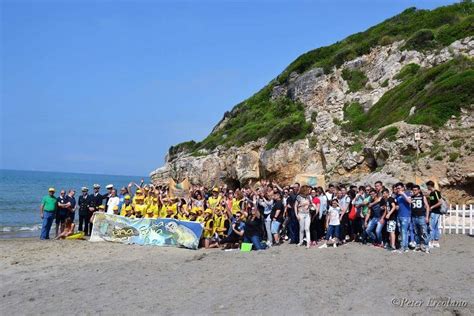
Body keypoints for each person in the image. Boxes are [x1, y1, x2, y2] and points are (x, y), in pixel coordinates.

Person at [411, 185, 430, 253]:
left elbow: (427, 206)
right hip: (414, 217)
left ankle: (426, 246)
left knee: (424, 232)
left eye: (416, 190)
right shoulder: (412, 197)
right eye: (413, 190)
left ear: (419, 190)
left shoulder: (422, 197)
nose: (414, 191)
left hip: (421, 216)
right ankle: (418, 245)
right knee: (416, 232)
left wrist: (427, 217)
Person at [395, 183, 412, 252]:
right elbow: (399, 205)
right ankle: (406, 246)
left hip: (405, 216)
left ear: (403, 188)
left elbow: (409, 201)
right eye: (397, 188)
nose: (398, 189)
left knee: (404, 231)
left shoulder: (407, 193)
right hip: (399, 215)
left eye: (399, 188)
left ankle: (403, 247)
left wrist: (403, 194)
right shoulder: (397, 196)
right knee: (402, 232)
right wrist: (397, 207)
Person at [426, 181, 443, 248]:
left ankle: (431, 241)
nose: (427, 187)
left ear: (430, 186)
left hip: (435, 212)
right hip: (433, 212)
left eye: (427, 186)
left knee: (431, 227)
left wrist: (432, 207)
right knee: (435, 227)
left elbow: (440, 202)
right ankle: (436, 242)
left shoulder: (436, 192)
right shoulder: (431, 193)